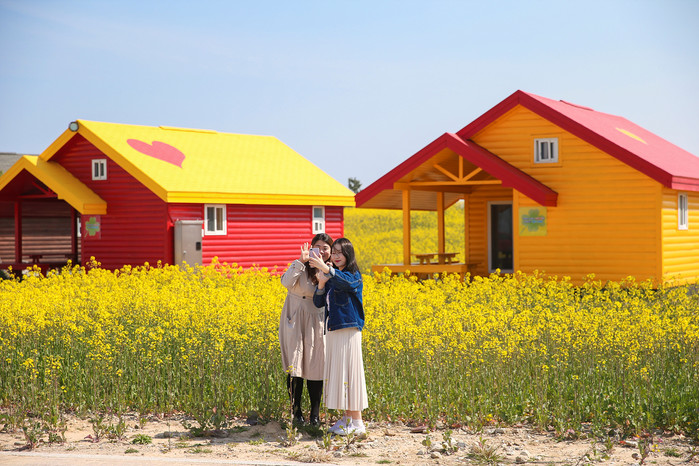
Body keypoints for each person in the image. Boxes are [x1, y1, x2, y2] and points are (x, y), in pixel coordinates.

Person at [310, 237, 368, 436]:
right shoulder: (333, 276)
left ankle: (357, 422)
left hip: (348, 329)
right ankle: (347, 418)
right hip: (334, 329)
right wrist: (321, 283)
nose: (335, 256)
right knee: (341, 373)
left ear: (348, 254)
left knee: (350, 372)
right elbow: (319, 303)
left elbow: (347, 284)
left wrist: (326, 269)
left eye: (339, 252)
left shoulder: (353, 275)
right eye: (333, 252)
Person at [279, 233, 333, 426]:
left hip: (316, 318)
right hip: (294, 317)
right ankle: (296, 413)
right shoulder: (300, 265)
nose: (321, 252)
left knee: (315, 366)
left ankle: (315, 415)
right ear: (311, 248)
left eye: (326, 248)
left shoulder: (330, 269)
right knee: (294, 366)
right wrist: (300, 262)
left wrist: (325, 270)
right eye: (317, 247)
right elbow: (285, 282)